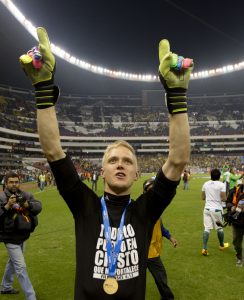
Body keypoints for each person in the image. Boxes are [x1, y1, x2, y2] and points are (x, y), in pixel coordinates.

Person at [19, 27, 192, 299]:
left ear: (136, 173)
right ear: (103, 171)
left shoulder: (146, 211)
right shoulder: (84, 205)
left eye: (127, 161)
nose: (120, 164)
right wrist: (43, 88)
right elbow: (53, 150)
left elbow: (178, 159)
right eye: (113, 160)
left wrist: (177, 94)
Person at [0, 172, 42, 299]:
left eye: (16, 182)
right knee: (21, 267)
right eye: (11, 182)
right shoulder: (1, 197)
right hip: (9, 237)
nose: (14, 184)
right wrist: (7, 206)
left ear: (19, 182)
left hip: (23, 235)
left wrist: (27, 205)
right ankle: (31, 297)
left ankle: (5, 287)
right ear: (6, 183)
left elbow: (39, 206)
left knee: (13, 263)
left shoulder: (25, 195)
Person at [143, 177, 177, 300]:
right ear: (145, 193)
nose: (153, 193)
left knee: (160, 278)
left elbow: (160, 226)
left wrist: (170, 237)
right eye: (150, 190)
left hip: (152, 251)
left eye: (155, 190)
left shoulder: (156, 209)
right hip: (147, 253)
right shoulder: (142, 209)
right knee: (160, 278)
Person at [201, 168, 229, 256]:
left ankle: (204, 248)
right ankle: (221, 245)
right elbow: (224, 198)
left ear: (211, 175)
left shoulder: (205, 184)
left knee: (207, 228)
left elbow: (202, 197)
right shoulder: (221, 184)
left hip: (207, 209)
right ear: (219, 176)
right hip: (217, 209)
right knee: (219, 228)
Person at [226, 177, 244, 267]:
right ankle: (239, 257)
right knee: (236, 242)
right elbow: (228, 202)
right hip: (237, 222)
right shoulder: (235, 190)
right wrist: (232, 207)